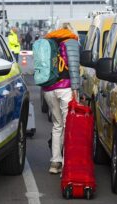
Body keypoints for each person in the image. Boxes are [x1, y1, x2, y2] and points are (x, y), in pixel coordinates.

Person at [43, 23, 80, 174]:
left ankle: (55, 162)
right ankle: (67, 163)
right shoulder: (71, 42)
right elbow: (74, 68)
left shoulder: (49, 42)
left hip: (49, 90)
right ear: (70, 30)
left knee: (57, 125)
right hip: (65, 88)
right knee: (68, 125)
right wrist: (76, 90)